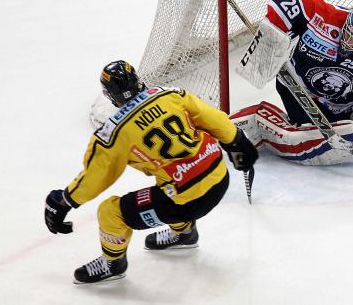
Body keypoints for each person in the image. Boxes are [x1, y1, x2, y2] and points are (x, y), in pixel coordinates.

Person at [44, 60, 258, 284]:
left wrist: (64, 200)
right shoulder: (169, 94)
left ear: (109, 95)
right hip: (219, 176)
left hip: (188, 203)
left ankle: (113, 263)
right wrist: (238, 141)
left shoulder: (114, 132)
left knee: (110, 212)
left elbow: (96, 176)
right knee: (165, 183)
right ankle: (183, 234)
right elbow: (212, 117)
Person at [233, 0, 353, 165]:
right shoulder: (326, 17)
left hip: (340, 102)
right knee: (303, 137)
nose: (347, 40)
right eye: (347, 32)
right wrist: (273, 35)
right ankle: (260, 117)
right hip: (298, 87)